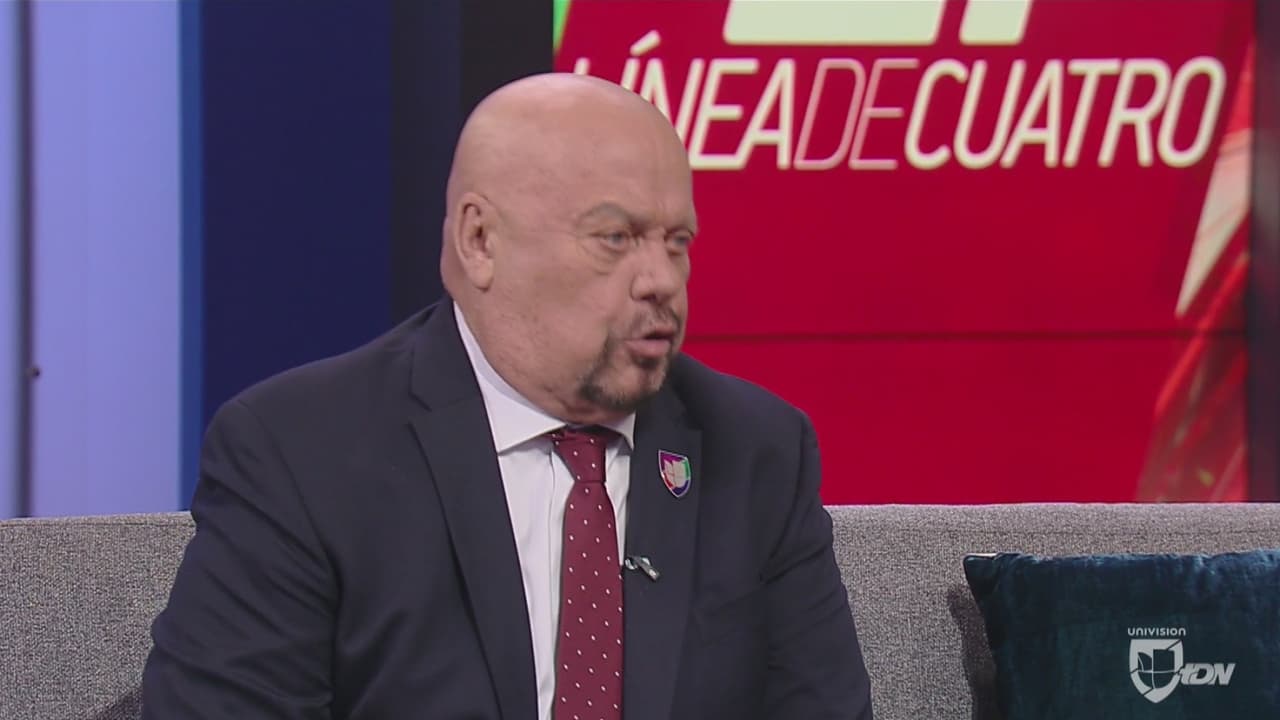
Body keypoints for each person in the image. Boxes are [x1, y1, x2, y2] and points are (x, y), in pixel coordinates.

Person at [141, 72, 873, 720]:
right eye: (616, 238)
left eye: (676, 241)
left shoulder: (757, 449)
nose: (661, 280)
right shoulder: (302, 451)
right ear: (481, 240)